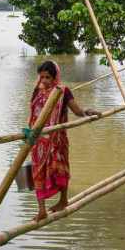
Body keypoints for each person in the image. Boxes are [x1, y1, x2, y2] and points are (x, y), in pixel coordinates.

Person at [28, 60, 100, 222]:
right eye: (42, 77)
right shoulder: (37, 92)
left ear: (55, 78)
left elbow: (77, 111)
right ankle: (41, 210)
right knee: (37, 173)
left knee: (60, 169)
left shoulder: (63, 91)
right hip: (39, 141)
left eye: (48, 77)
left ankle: (63, 200)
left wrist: (88, 112)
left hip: (57, 140)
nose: (44, 81)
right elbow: (32, 115)